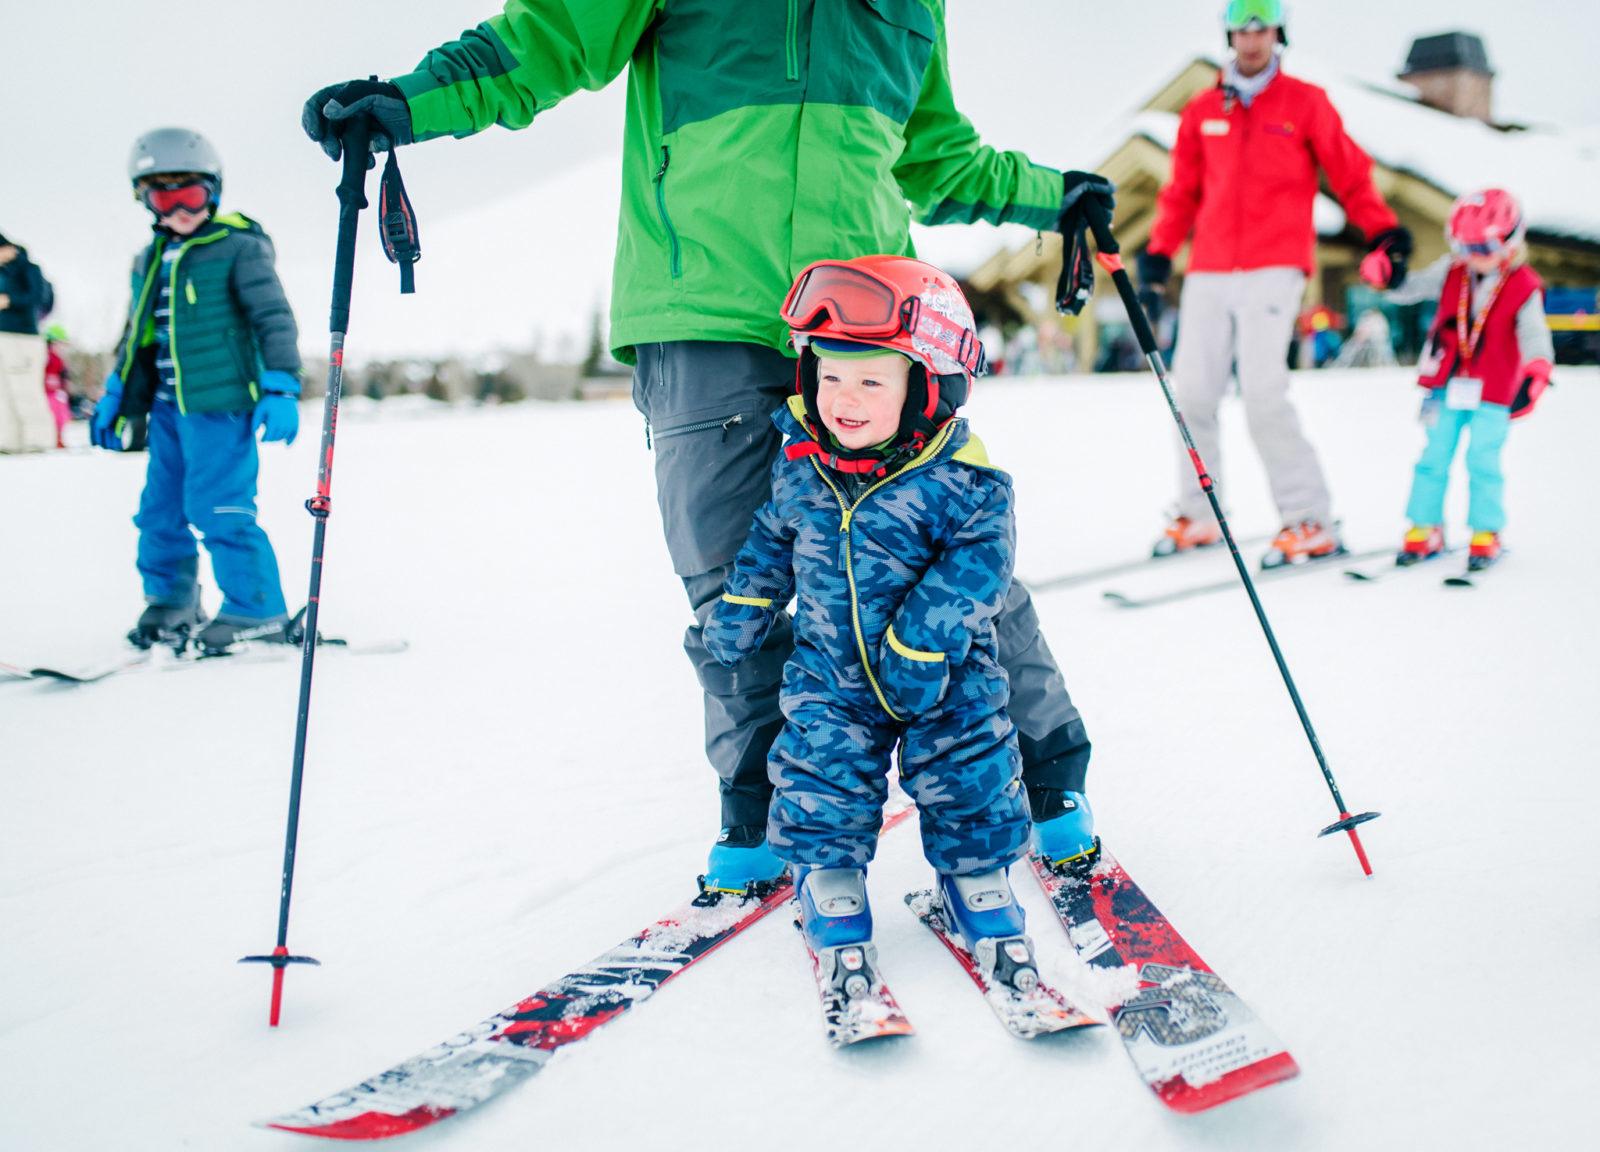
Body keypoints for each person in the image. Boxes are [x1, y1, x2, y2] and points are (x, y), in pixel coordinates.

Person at [302, 0, 1112, 890]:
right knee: (732, 580)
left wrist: (1054, 195)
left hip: (870, 324)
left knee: (946, 544)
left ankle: (1043, 769)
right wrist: (412, 102)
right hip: (704, 314)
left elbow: (932, 155)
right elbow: (548, 41)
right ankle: (761, 800)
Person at [704, 256, 1038, 991]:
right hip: (832, 674)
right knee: (821, 774)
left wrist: (920, 641)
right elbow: (770, 537)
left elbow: (981, 566)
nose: (843, 400)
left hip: (942, 674)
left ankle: (978, 878)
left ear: (927, 389)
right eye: (829, 378)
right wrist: (746, 606)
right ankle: (829, 878)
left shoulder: (966, 481)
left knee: (970, 771)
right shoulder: (802, 467)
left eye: (871, 381)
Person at [1137, 0, 1413, 567]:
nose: (1252, 38)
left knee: (1263, 394)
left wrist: (1385, 232)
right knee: (1191, 395)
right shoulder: (1202, 111)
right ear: (1230, 33)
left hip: (1274, 264)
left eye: (1261, 26)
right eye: (1242, 27)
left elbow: (1350, 172)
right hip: (1210, 267)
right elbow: (1181, 192)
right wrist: (1159, 256)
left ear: (1278, 31)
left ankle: (1308, 518)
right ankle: (1201, 512)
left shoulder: (1305, 103)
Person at [92, 128, 303, 653]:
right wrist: (116, 392)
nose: (179, 208)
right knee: (159, 510)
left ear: (214, 190)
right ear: (144, 199)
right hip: (166, 409)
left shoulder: (239, 248)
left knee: (219, 506)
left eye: (192, 193)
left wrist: (280, 386)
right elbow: (136, 331)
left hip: (222, 405)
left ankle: (257, 607)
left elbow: (274, 319)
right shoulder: (149, 258)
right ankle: (171, 601)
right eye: (164, 195)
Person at [1361, 189, 1553, 573]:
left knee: (1483, 458)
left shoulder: (1523, 284)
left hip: (1495, 388)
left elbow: (1534, 334)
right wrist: (1388, 277)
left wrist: (1537, 370)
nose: (1473, 255)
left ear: (1510, 239)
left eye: (1483, 245)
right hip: (1445, 383)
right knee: (1433, 456)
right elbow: (1409, 289)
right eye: (1465, 246)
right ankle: (1424, 526)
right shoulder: (1452, 270)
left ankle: (1486, 531)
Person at [0, 232, 58, 454]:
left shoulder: (29, 269)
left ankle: (38, 439)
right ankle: (8, 440)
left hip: (23, 337)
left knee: (25, 389)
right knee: (3, 391)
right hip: (2, 337)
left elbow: (36, 298)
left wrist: (9, 299)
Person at [43, 324, 74, 449]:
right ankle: (51, 438)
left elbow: (63, 376)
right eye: (59, 343)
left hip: (57, 393)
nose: (61, 347)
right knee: (51, 416)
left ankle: (58, 437)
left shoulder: (59, 360)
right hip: (46, 394)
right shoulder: (45, 356)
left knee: (61, 416)